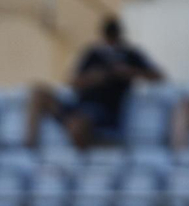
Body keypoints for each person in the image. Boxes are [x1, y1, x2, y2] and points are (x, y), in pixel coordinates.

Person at [25, 16, 162, 150]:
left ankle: (86, 152)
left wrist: (130, 72)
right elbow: (72, 82)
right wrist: (92, 78)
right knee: (38, 94)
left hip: (104, 113)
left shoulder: (130, 55)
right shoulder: (93, 54)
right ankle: (28, 148)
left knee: (78, 123)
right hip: (79, 106)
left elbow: (158, 76)